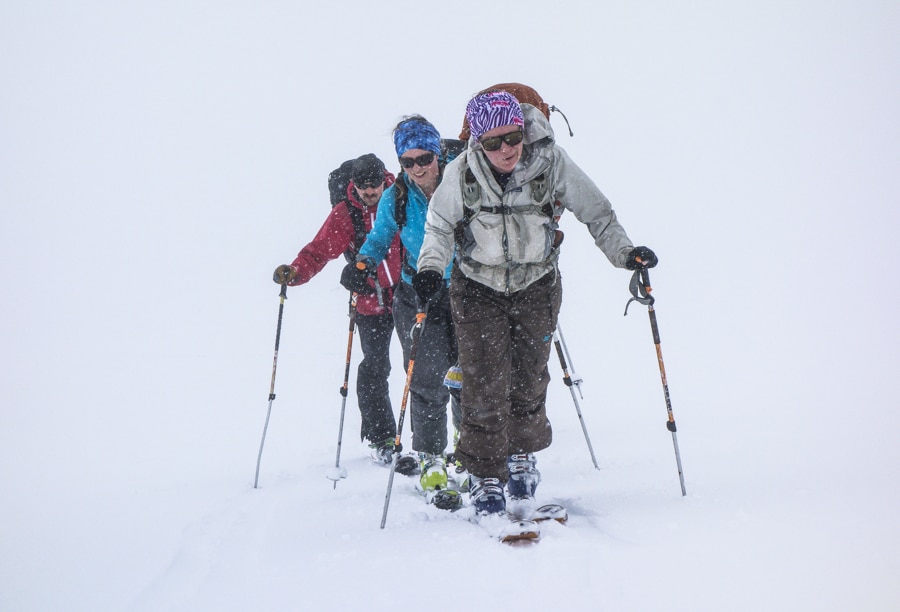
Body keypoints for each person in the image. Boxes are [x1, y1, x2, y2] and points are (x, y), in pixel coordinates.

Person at [413, 91, 658, 515]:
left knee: (529, 377)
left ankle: (520, 455)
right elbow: (438, 227)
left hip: (536, 285)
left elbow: (596, 212)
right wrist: (431, 269)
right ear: (477, 143)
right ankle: (486, 474)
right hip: (477, 287)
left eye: (513, 137)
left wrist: (625, 253)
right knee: (484, 380)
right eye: (493, 142)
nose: (506, 148)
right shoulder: (461, 173)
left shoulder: (551, 162)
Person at [341, 116, 462, 504]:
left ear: (438, 153)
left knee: (468, 375)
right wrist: (362, 263)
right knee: (426, 377)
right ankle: (431, 460)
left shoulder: (462, 183)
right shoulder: (398, 196)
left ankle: (470, 450)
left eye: (423, 158)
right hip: (417, 294)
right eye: (406, 162)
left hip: (466, 289)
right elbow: (379, 239)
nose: (416, 168)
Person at [273, 154, 403, 464]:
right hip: (370, 300)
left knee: (426, 367)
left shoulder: (400, 197)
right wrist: (294, 272)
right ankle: (382, 438)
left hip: (408, 294)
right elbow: (318, 251)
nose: (370, 193)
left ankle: (435, 445)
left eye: (374, 186)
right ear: (353, 185)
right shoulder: (346, 213)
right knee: (375, 366)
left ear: (384, 179)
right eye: (362, 187)